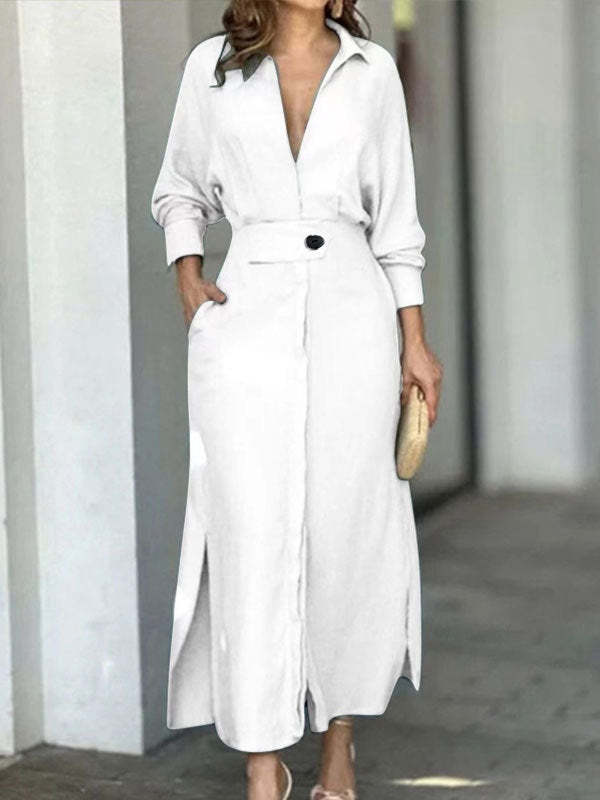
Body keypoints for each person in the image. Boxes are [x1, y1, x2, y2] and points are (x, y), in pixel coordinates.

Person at [150, 1, 443, 798]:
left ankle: (339, 741)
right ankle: (262, 758)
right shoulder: (213, 68)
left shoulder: (372, 73)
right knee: (247, 527)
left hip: (354, 312)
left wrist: (415, 342)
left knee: (345, 526)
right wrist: (187, 273)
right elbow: (179, 188)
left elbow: (397, 224)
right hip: (246, 313)